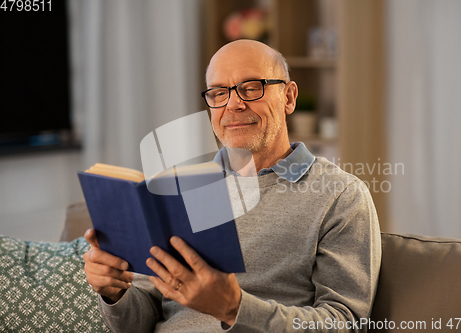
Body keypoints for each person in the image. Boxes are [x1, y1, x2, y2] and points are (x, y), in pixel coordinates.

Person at [83, 39, 381, 332]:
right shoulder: (181, 189)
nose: (233, 104)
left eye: (251, 88)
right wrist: (115, 291)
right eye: (218, 93)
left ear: (288, 97)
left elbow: (345, 323)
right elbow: (141, 320)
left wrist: (234, 308)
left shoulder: (341, 195)